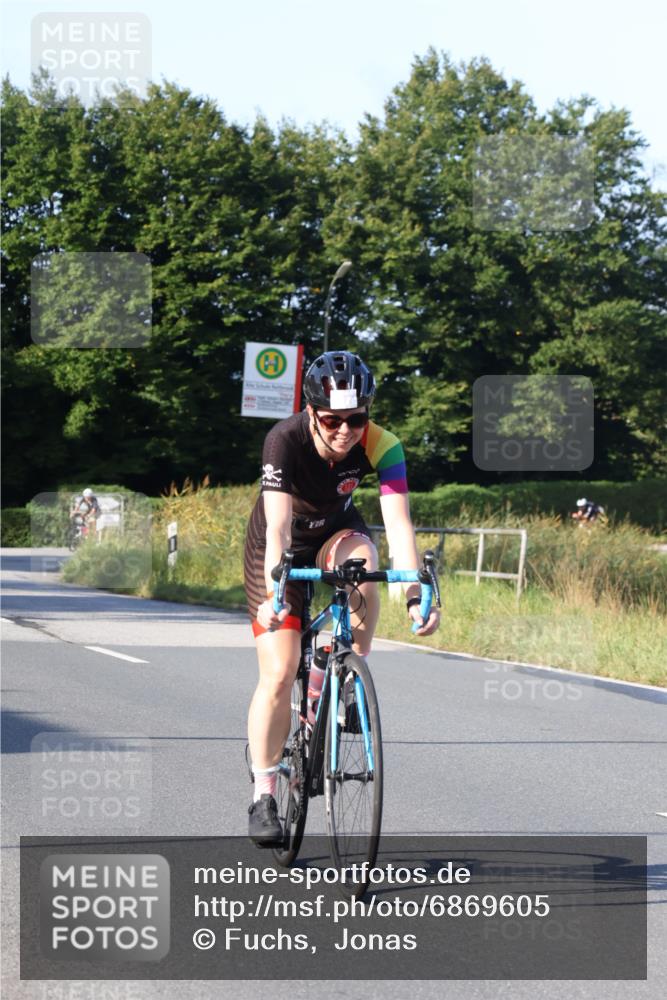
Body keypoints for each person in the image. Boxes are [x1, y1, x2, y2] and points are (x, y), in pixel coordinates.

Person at [243, 350, 441, 844]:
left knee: (366, 564)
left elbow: (398, 523)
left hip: (336, 532)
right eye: (332, 420)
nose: (345, 431)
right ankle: (264, 791)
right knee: (278, 671)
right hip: (278, 546)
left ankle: (341, 668)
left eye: (356, 419)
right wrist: (275, 595)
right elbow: (281, 530)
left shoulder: (384, 445)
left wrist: (416, 592)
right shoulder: (282, 441)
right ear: (312, 412)